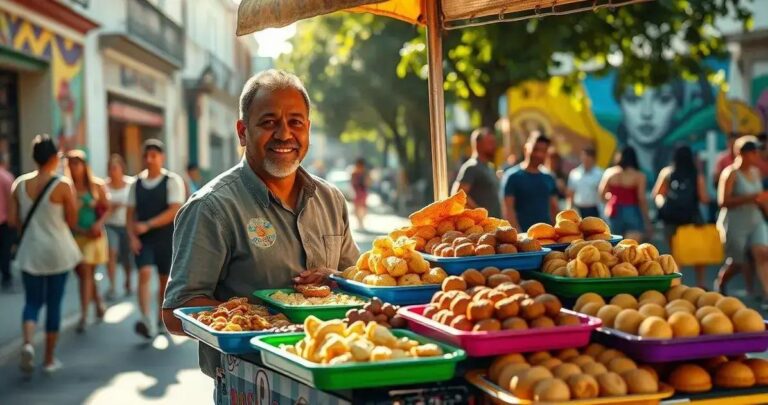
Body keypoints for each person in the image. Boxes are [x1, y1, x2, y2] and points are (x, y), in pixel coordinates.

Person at [162, 70, 359, 395]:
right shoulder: (212, 208)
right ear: (243, 131)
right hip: (251, 387)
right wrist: (262, 319)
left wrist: (334, 279)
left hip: (331, 378)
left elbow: (357, 277)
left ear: (308, 129)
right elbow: (177, 311)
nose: (284, 134)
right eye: (269, 122)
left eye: (296, 122)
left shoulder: (330, 199)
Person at [8, 135, 81, 374]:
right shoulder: (62, 185)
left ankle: (28, 343)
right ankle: (49, 359)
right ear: (53, 157)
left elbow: (12, 220)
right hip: (58, 252)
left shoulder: (19, 183)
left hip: (31, 251)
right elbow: (72, 220)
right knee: (53, 304)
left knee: (32, 302)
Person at [126, 139, 185, 339]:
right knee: (143, 274)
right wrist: (132, 237)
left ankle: (161, 319)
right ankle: (146, 320)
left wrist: (149, 224)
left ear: (162, 158)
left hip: (166, 238)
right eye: (147, 156)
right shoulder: (136, 183)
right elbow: (129, 213)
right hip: (143, 240)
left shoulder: (172, 181)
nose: (150, 160)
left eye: (154, 155)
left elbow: (174, 209)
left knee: (163, 281)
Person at [714, 136, 768, 304]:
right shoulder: (730, 173)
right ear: (742, 154)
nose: (757, 155)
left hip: (755, 220)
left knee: (762, 254)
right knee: (737, 263)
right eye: (753, 152)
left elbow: (760, 199)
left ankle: (767, 294)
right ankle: (721, 283)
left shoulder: (755, 172)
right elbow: (723, 202)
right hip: (735, 222)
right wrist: (751, 198)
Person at [652, 145, 710, 288]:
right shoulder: (696, 175)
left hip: (671, 220)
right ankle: (700, 284)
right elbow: (704, 198)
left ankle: (676, 285)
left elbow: (657, 194)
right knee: (698, 254)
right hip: (691, 220)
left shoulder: (667, 173)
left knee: (676, 254)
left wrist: (663, 205)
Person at [67, 150, 110, 332]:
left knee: (86, 272)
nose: (74, 167)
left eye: (77, 163)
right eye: (71, 164)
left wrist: (98, 224)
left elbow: (107, 209)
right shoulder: (67, 187)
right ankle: (99, 302)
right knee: (84, 275)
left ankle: (84, 315)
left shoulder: (96, 185)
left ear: (84, 165)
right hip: (75, 235)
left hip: (93, 236)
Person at [501, 132, 558, 231]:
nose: (539, 154)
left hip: (546, 238)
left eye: (543, 151)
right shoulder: (512, 176)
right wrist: (518, 236)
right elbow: (508, 210)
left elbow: (553, 208)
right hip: (523, 238)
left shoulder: (548, 177)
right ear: (526, 148)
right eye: (535, 149)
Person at [599, 146, 652, 242]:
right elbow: (641, 198)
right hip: (632, 211)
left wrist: (612, 199)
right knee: (631, 244)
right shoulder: (639, 176)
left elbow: (602, 194)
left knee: (614, 243)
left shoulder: (610, 172)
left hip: (613, 211)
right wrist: (647, 220)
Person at [451, 127, 502, 218]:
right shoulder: (471, 167)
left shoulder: (489, 167)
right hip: (482, 229)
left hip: (494, 227)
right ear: (478, 144)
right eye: (490, 143)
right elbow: (458, 195)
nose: (494, 146)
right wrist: (480, 215)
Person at [105, 154, 134, 299]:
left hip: (127, 226)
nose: (112, 171)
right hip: (110, 225)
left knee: (126, 257)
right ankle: (112, 286)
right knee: (111, 253)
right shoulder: (104, 186)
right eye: (110, 168)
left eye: (115, 168)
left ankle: (128, 281)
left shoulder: (131, 184)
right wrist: (110, 207)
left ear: (121, 168)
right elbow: (101, 205)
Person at [566, 148, 604, 218]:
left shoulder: (600, 174)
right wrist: (569, 209)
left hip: (594, 209)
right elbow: (570, 193)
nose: (586, 160)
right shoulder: (574, 173)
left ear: (593, 159)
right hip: (578, 210)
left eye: (588, 157)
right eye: (584, 156)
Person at [0, 153, 15, 290]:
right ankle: (6, 278)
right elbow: (12, 200)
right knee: (5, 251)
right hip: (4, 221)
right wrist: (13, 219)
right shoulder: (6, 177)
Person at [350, 158, 369, 230]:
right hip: (357, 192)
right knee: (357, 208)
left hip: (362, 192)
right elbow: (352, 183)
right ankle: (359, 222)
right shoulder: (354, 173)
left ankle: (361, 222)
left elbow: (368, 182)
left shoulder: (365, 173)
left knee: (362, 208)